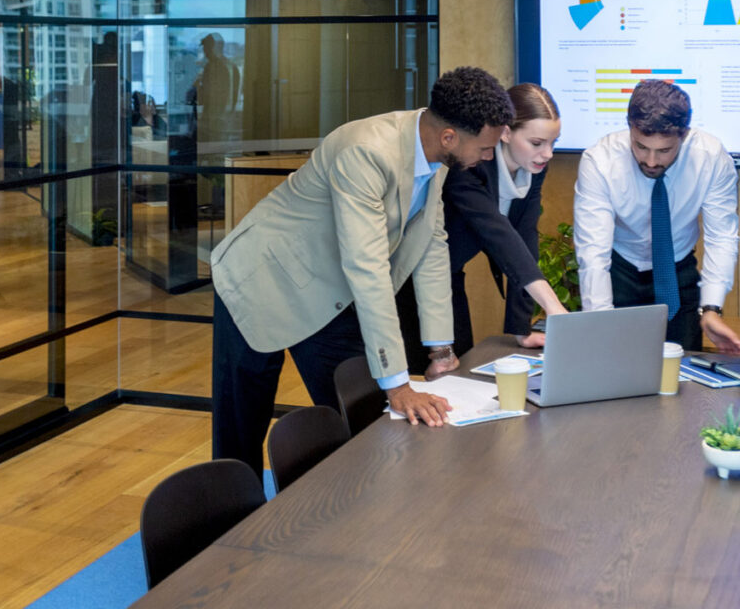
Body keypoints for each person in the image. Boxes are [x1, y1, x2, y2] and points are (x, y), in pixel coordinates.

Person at [210, 66, 514, 477]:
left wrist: (440, 349)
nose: (488, 156)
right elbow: (367, 267)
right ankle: (227, 528)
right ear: (449, 137)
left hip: (330, 292)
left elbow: (431, 247)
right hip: (263, 279)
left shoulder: (437, 156)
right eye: (485, 147)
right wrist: (399, 382)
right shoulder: (366, 151)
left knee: (362, 416)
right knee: (241, 427)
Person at [573, 79, 740, 355]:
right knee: (614, 364)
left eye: (664, 151)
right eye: (641, 147)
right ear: (629, 127)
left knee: (682, 373)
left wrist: (712, 308)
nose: (651, 161)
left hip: (677, 272)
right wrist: (600, 320)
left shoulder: (711, 158)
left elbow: (721, 235)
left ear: (685, 134)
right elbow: (593, 252)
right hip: (619, 271)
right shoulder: (600, 161)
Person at [436, 83, 570, 353]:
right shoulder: (470, 162)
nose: (548, 154)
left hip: (449, 273)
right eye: (537, 143)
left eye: (553, 143)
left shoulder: (533, 167)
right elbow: (500, 235)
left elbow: (524, 239)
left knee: (459, 360)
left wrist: (521, 329)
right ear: (506, 132)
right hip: (415, 278)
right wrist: (552, 305)